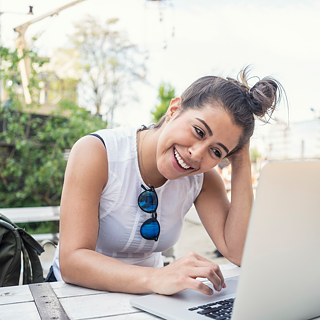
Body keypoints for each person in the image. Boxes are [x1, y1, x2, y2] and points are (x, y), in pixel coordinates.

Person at [47, 67, 282, 296]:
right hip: (74, 298)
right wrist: (158, 277)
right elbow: (72, 261)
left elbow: (239, 252)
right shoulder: (98, 152)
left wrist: (241, 160)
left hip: (147, 299)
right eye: (199, 131)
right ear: (174, 109)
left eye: (217, 152)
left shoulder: (202, 179)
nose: (197, 154)